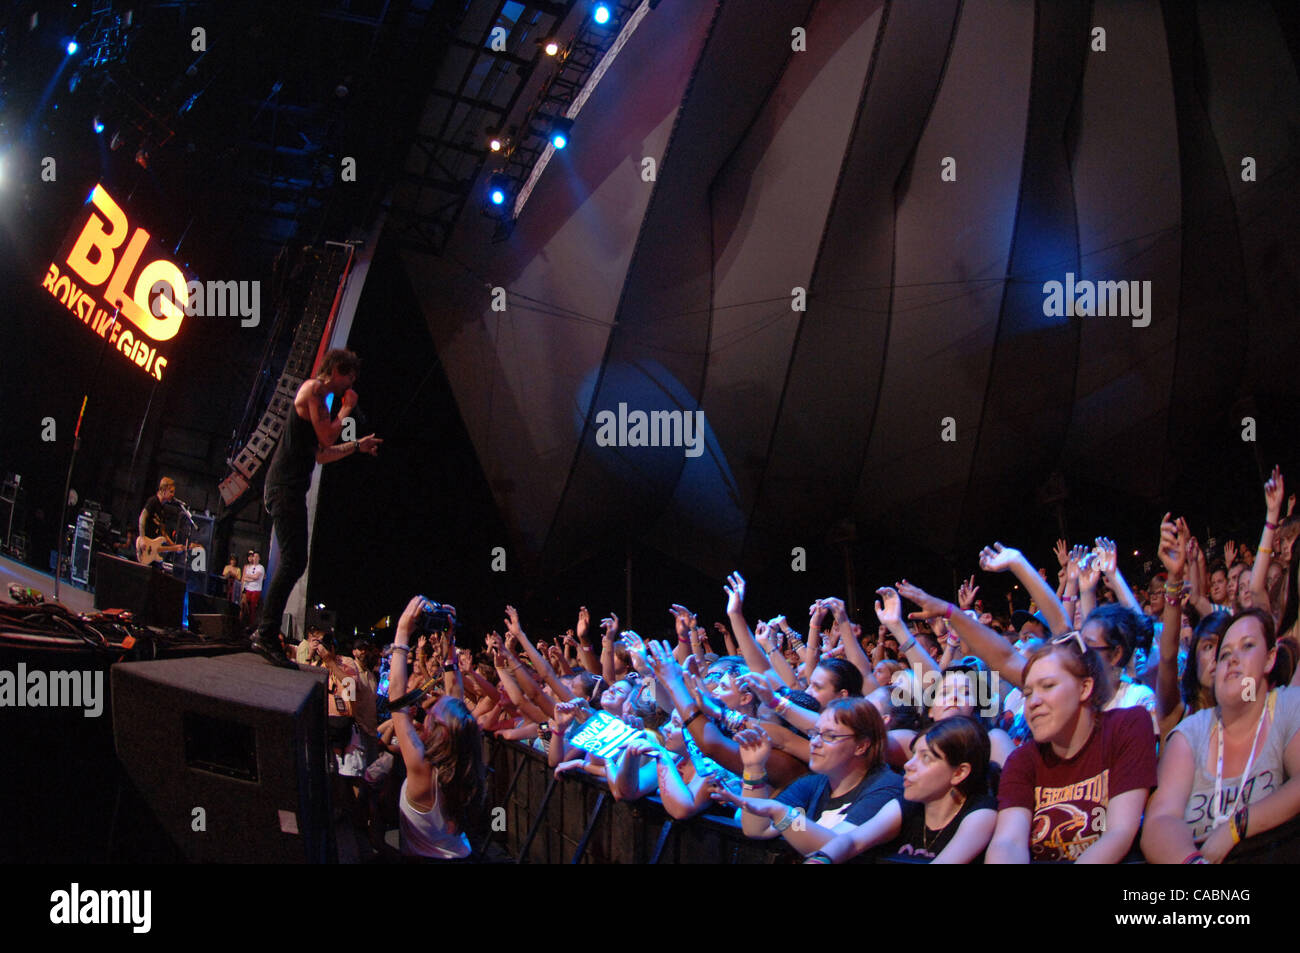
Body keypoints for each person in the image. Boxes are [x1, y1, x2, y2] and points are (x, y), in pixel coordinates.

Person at [251, 349, 382, 666]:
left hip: (291, 489)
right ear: (338, 370)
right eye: (349, 379)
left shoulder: (321, 402)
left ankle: (265, 633)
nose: (349, 387)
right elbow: (327, 432)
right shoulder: (313, 390)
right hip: (283, 487)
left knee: (295, 560)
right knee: (295, 560)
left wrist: (356, 446)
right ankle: (264, 634)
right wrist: (347, 408)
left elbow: (322, 453)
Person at [1142, 609, 1300, 863]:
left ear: (1270, 659)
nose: (1232, 659)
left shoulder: (1288, 706)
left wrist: (1236, 827)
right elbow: (1161, 820)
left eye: (1247, 646)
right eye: (1224, 654)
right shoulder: (1192, 731)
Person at [987, 636, 1157, 863]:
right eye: (1027, 694)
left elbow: (1119, 833)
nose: (1033, 702)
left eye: (1047, 686)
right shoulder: (1023, 760)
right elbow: (1007, 843)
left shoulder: (1126, 726)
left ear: (1084, 688)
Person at [711, 697, 904, 858]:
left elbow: (835, 848)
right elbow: (757, 829)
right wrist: (754, 768)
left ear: (861, 745)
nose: (815, 743)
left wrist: (781, 814)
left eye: (830, 736)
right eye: (815, 733)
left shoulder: (885, 788)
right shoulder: (814, 783)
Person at [811, 715, 997, 863]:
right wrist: (821, 859)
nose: (908, 765)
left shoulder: (981, 812)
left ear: (959, 772)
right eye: (914, 754)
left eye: (926, 758)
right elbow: (853, 841)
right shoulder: (907, 804)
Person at [388, 595, 484, 860]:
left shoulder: (423, 770)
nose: (430, 710)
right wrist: (449, 643)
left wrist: (402, 632)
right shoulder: (468, 768)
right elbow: (454, 694)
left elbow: (397, 700)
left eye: (434, 712)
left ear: (437, 730)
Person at [136, 477, 177, 563]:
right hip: (144, 545)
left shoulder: (162, 509)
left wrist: (174, 546)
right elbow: (142, 518)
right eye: (171, 492)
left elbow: (163, 533)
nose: (173, 495)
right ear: (164, 490)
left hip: (152, 547)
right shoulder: (153, 501)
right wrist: (142, 538)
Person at [239, 550, 264, 630]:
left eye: (257, 557)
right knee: (245, 607)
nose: (255, 558)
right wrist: (251, 578)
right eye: (254, 556)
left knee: (252, 607)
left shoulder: (261, 567)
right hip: (248, 589)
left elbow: (256, 577)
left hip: (256, 590)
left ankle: (251, 625)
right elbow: (245, 577)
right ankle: (243, 624)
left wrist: (251, 577)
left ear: (259, 558)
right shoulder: (249, 567)